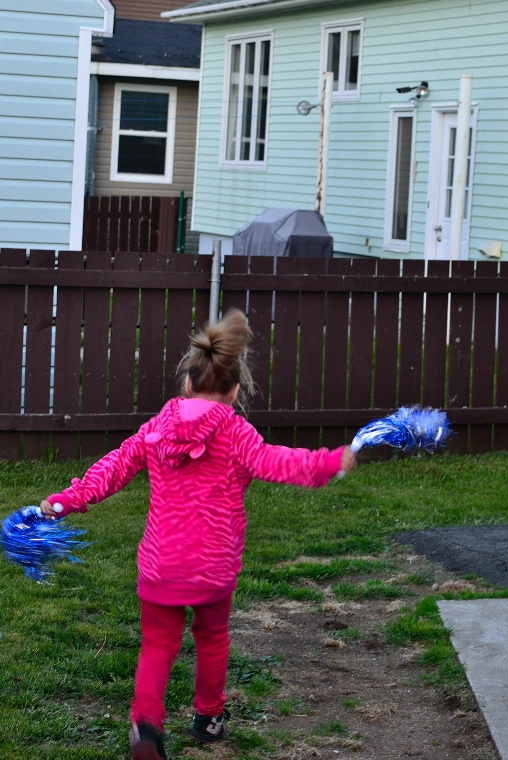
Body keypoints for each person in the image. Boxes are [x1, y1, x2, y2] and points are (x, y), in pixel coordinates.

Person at [40, 308, 356, 760]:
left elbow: (111, 469)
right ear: (232, 390)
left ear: (187, 383)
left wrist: (65, 500)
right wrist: (329, 462)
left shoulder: (157, 428)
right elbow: (279, 462)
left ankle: (145, 723)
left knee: (158, 644)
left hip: (161, 564)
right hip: (213, 566)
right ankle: (208, 717)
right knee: (212, 636)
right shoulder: (236, 431)